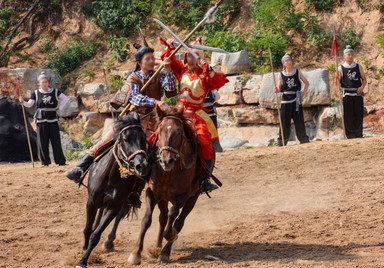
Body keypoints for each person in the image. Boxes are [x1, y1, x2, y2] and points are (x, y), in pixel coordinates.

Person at [65, 44, 177, 183]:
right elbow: (135, 98)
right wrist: (155, 101)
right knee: (107, 139)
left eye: (152, 58)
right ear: (139, 62)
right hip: (135, 119)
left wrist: (169, 70)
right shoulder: (133, 78)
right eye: (147, 59)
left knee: (167, 144)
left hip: (156, 120)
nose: (152, 61)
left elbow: (170, 89)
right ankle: (80, 168)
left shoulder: (160, 75)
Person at [161, 40, 229, 192]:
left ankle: (204, 179)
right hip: (177, 112)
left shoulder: (205, 77)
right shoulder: (182, 71)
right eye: (187, 56)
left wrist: (206, 66)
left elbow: (219, 80)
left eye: (193, 57)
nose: (189, 60)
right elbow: (168, 59)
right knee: (158, 136)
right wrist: (170, 46)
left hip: (196, 116)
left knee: (205, 144)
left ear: (199, 58)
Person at [20, 71, 68, 166]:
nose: (45, 84)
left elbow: (65, 98)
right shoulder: (36, 93)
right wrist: (23, 102)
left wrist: (59, 108)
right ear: (39, 83)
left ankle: (60, 161)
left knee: (56, 141)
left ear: (48, 83)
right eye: (43, 82)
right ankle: (45, 162)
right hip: (41, 119)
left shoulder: (55, 92)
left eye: (46, 82)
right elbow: (30, 104)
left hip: (53, 119)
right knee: (42, 141)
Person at [273, 53, 310, 146]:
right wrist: (276, 90)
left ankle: (303, 139)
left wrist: (303, 94)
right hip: (285, 100)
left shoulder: (298, 72)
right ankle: (282, 141)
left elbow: (307, 83)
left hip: (296, 100)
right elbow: (279, 88)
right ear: (283, 64)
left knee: (299, 120)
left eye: (289, 60)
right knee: (284, 121)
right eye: (286, 61)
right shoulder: (280, 75)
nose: (289, 62)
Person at [334, 45, 367, 139]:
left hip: (357, 93)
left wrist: (362, 87)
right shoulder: (341, 68)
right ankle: (350, 135)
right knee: (348, 115)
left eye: (352, 54)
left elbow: (364, 79)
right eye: (348, 54)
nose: (350, 56)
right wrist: (336, 76)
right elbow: (338, 83)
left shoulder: (358, 66)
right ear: (344, 56)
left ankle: (358, 134)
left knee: (358, 114)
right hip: (347, 94)